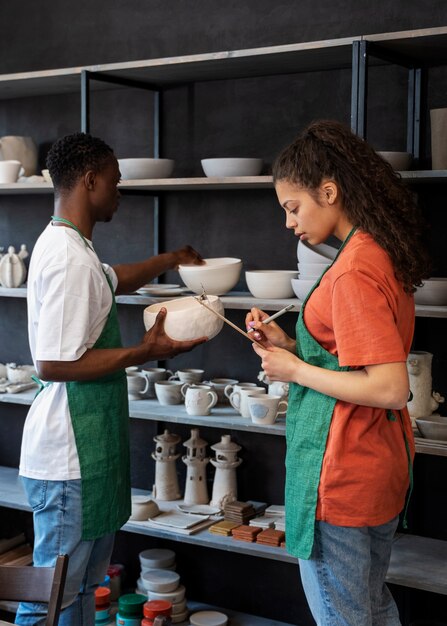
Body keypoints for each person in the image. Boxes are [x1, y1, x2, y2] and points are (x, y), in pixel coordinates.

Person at [15, 132, 206, 626]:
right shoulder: (65, 257)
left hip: (85, 453)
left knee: (79, 593)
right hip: (66, 456)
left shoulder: (71, 245)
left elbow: (112, 279)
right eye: (115, 182)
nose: (120, 191)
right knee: (51, 601)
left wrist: (169, 260)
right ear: (90, 180)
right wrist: (147, 351)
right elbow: (51, 365)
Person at [246, 120, 431, 626]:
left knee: (346, 618)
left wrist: (295, 369)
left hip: (345, 472)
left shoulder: (352, 270)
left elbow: (391, 387)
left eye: (293, 207)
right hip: (380, 465)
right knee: (372, 609)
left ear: (329, 192)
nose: (289, 223)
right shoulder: (376, 253)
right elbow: (352, 353)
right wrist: (291, 346)